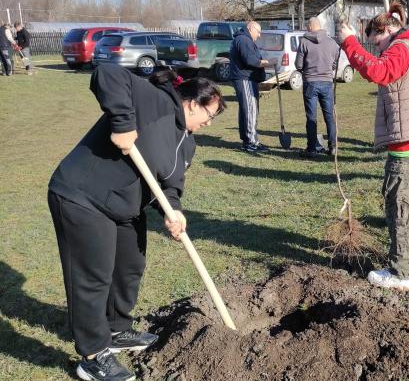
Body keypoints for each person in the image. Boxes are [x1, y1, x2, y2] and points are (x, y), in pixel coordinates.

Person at [47, 64, 225, 381]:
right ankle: (92, 356)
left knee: (130, 266)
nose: (207, 124)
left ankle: (116, 329)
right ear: (191, 103)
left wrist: (174, 211)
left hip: (123, 207)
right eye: (207, 116)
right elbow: (107, 75)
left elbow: (170, 186)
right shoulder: (154, 100)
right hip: (83, 195)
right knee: (93, 276)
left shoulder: (188, 144)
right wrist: (124, 123)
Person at [339, 4, 409, 291]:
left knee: (399, 207)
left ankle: (400, 273)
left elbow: (378, 71)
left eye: (377, 41)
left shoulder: (401, 49)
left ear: (388, 29)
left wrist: (349, 42)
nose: (379, 49)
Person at [295, 16, 338, 157]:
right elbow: (334, 63)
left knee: (311, 117)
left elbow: (298, 65)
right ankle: (333, 147)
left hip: (310, 82)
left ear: (309, 27)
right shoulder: (332, 43)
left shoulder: (304, 42)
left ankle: (312, 148)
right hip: (327, 82)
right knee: (329, 116)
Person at [229, 21, 270, 153]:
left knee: (248, 109)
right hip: (244, 78)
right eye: (258, 32)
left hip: (248, 78)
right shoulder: (243, 40)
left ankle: (249, 139)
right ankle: (250, 142)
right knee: (250, 109)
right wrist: (263, 63)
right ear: (250, 28)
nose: (259, 35)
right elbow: (249, 60)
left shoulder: (244, 40)